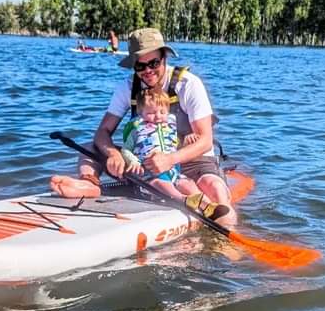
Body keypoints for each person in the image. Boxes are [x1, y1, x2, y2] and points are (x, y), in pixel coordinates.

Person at [49, 27, 238, 225]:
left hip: (190, 160)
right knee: (90, 148)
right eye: (140, 66)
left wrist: (170, 159)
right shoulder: (128, 87)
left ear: (165, 58)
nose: (147, 70)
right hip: (142, 162)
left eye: (153, 63)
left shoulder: (189, 84)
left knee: (214, 190)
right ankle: (90, 184)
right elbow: (103, 132)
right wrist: (113, 154)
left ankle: (227, 235)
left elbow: (205, 140)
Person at [118, 87, 229, 220]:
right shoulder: (137, 130)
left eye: (162, 112)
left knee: (187, 184)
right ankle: (183, 199)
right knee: (161, 184)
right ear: (141, 112)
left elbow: (175, 146)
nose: (158, 116)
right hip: (150, 174)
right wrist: (133, 161)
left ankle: (208, 206)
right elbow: (125, 149)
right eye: (151, 113)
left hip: (173, 172)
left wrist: (187, 141)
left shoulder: (169, 127)